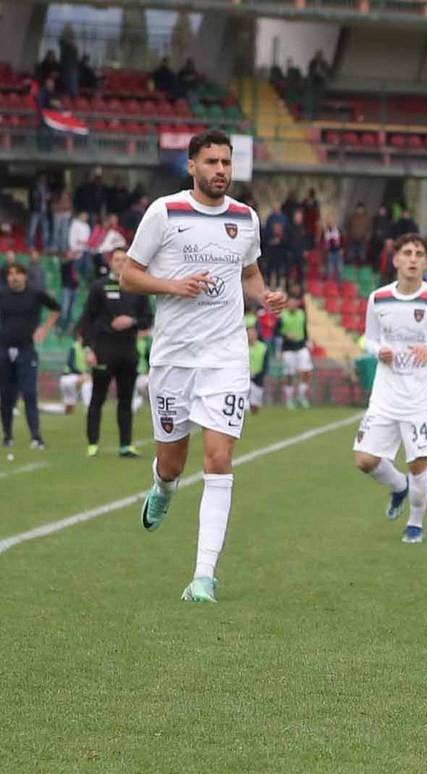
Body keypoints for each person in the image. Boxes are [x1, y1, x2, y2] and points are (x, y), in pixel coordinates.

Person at [120, 129, 287, 603]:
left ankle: (203, 576)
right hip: (174, 357)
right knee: (173, 463)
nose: (220, 170)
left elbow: (249, 273)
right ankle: (163, 487)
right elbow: (127, 275)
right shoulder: (165, 212)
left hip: (226, 357)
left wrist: (264, 296)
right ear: (191, 166)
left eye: (226, 163)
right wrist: (174, 286)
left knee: (218, 458)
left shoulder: (245, 218)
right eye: (211, 162)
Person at [354, 233, 427, 544]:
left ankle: (415, 523)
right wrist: (379, 351)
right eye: (407, 253)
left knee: (417, 462)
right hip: (385, 395)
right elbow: (370, 339)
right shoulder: (378, 299)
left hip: (421, 398)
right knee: (365, 460)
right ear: (396, 260)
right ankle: (398, 487)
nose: (413, 258)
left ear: (426, 262)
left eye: (419, 254)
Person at [81, 247, 153, 457]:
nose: (120, 263)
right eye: (117, 260)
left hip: (128, 350)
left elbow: (147, 319)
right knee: (98, 398)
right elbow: (87, 319)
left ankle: (126, 445)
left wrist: (131, 321)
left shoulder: (137, 288)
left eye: (124, 260)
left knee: (125, 399)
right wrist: (89, 348)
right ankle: (92, 443)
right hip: (104, 349)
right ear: (110, 262)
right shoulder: (99, 287)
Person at [1, 262, 60, 449]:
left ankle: (36, 436)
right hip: (3, 349)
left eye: (18, 273)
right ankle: (7, 435)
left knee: (29, 393)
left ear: (25, 276)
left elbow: (56, 308)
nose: (14, 277)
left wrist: (44, 329)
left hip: (26, 349)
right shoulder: (2, 294)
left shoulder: (35, 294)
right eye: (10, 274)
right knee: (5, 395)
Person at [278, 291, 313, 409]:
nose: (293, 305)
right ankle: (289, 399)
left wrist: (308, 340)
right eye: (290, 303)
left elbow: (304, 329)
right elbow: (275, 332)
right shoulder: (282, 316)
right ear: (287, 304)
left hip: (301, 346)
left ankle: (301, 396)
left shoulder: (301, 314)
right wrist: (285, 335)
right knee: (289, 374)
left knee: (306, 371)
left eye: (294, 302)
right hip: (288, 349)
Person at [60, 327, 93, 414]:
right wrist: (82, 374)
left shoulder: (88, 349)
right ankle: (89, 408)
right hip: (70, 377)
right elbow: (70, 364)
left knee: (68, 411)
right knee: (88, 381)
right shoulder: (75, 347)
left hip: (71, 380)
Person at [247, 322, 268, 413]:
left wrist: (257, 375)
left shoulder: (263, 347)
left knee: (255, 407)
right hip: (244, 379)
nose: (250, 336)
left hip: (257, 379)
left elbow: (265, 365)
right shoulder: (242, 347)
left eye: (252, 333)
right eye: (248, 334)